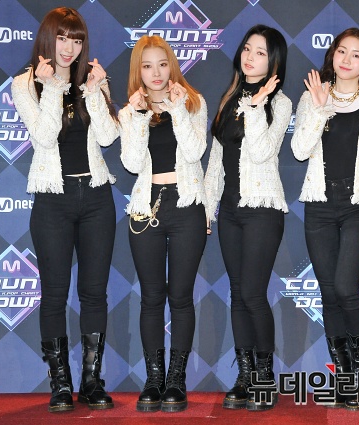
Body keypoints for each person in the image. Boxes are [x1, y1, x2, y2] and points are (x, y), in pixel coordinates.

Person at [11, 7, 118, 412]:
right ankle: (60, 384)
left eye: (76, 39)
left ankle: (91, 381)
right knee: (54, 294)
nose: (69, 48)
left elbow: (108, 136)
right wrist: (53, 86)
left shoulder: (90, 79)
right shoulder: (26, 83)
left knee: (94, 293)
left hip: (96, 197)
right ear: (48, 38)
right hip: (53, 200)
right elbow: (44, 136)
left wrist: (97, 89)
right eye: (62, 38)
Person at [291, 28, 359, 410]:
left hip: (357, 207)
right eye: (341, 51)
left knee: (345, 288)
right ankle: (346, 375)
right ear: (332, 55)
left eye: (356, 54)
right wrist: (319, 109)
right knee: (329, 293)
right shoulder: (312, 96)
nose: (347, 59)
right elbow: (300, 150)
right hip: (319, 206)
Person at [119, 35, 208, 413]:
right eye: (147, 65)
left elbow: (195, 150)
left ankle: (176, 379)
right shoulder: (130, 112)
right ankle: (153, 379)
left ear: (172, 65)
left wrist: (177, 109)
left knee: (181, 296)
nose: (155, 72)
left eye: (162, 63)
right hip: (146, 208)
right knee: (152, 296)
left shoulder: (193, 101)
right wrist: (140, 116)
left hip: (186, 207)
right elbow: (130, 163)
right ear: (138, 71)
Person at [204, 24, 291, 412]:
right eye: (247, 49)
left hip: (262, 210)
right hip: (230, 210)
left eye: (260, 52)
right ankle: (244, 375)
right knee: (237, 293)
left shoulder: (280, 103)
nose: (250, 57)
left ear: (273, 62)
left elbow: (261, 151)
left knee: (253, 293)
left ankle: (264, 378)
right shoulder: (228, 98)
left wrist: (256, 106)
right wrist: (208, 207)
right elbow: (216, 160)